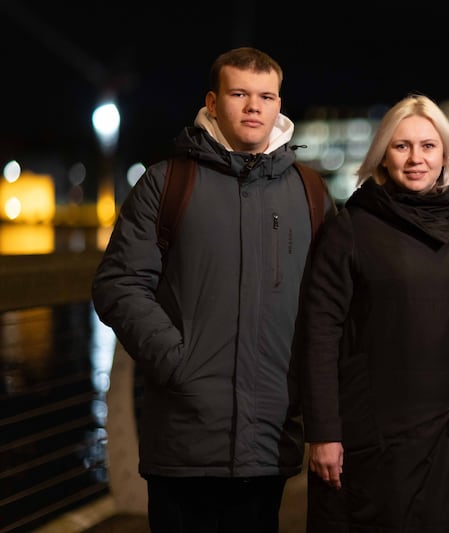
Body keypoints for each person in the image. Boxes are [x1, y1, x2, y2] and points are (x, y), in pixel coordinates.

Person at [91, 47, 336, 533]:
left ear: (278, 104)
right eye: (239, 93)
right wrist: (178, 360)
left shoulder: (309, 193)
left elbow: (328, 303)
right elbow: (118, 284)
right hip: (185, 437)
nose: (253, 106)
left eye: (265, 96)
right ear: (213, 100)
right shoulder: (168, 183)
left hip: (270, 439)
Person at [295, 94, 449, 532]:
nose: (416, 158)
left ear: (445, 154)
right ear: (383, 156)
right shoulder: (352, 229)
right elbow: (320, 334)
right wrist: (323, 432)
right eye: (402, 146)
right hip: (374, 435)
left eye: (428, 146)